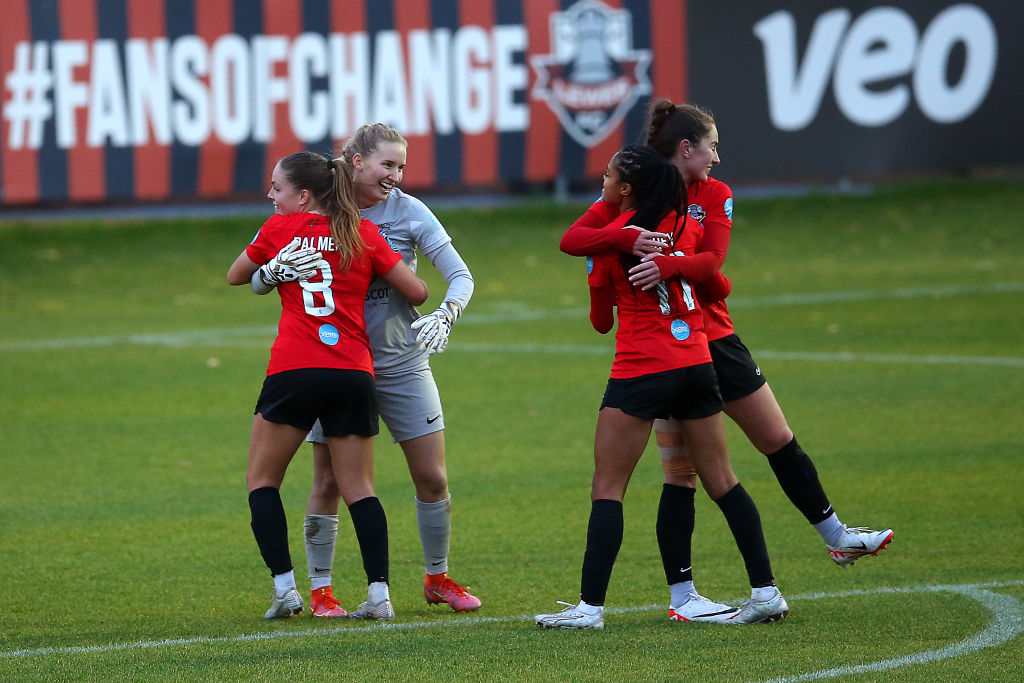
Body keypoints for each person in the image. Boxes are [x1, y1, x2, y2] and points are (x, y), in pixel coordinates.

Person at [560, 100, 893, 617]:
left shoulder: (713, 195)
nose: (717, 158)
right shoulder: (638, 190)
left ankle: (836, 535)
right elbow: (580, 239)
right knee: (684, 475)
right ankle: (687, 596)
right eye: (711, 147)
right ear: (685, 148)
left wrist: (668, 265)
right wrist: (631, 245)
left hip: (711, 338)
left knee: (775, 438)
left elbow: (717, 272)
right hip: (681, 347)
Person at [535, 146, 789, 630]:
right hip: (696, 362)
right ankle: (765, 591)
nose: (602, 184)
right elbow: (718, 286)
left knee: (608, 486)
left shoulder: (618, 236)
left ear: (627, 188)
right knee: (722, 480)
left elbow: (599, 318)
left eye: (608, 177)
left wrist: (607, 258)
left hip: (643, 366)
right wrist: (678, 266)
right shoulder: (688, 226)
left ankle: (589, 608)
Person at [251, 124, 480, 619]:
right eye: (387, 165)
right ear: (355, 162)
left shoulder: (408, 211)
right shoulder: (312, 207)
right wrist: (268, 276)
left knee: (433, 476)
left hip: (399, 362)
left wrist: (447, 312)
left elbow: (460, 276)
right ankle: (321, 592)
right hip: (335, 364)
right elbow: (255, 265)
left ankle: (437, 578)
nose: (395, 177)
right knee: (328, 481)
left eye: (401, 167)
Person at [227, 151, 428, 619]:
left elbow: (237, 276)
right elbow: (418, 292)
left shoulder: (278, 230)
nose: (270, 195)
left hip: (295, 369)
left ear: (303, 194)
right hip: (354, 372)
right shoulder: (361, 231)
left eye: (277, 188)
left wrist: (272, 272)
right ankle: (379, 595)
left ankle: (285, 590)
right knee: (359, 487)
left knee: (262, 480)